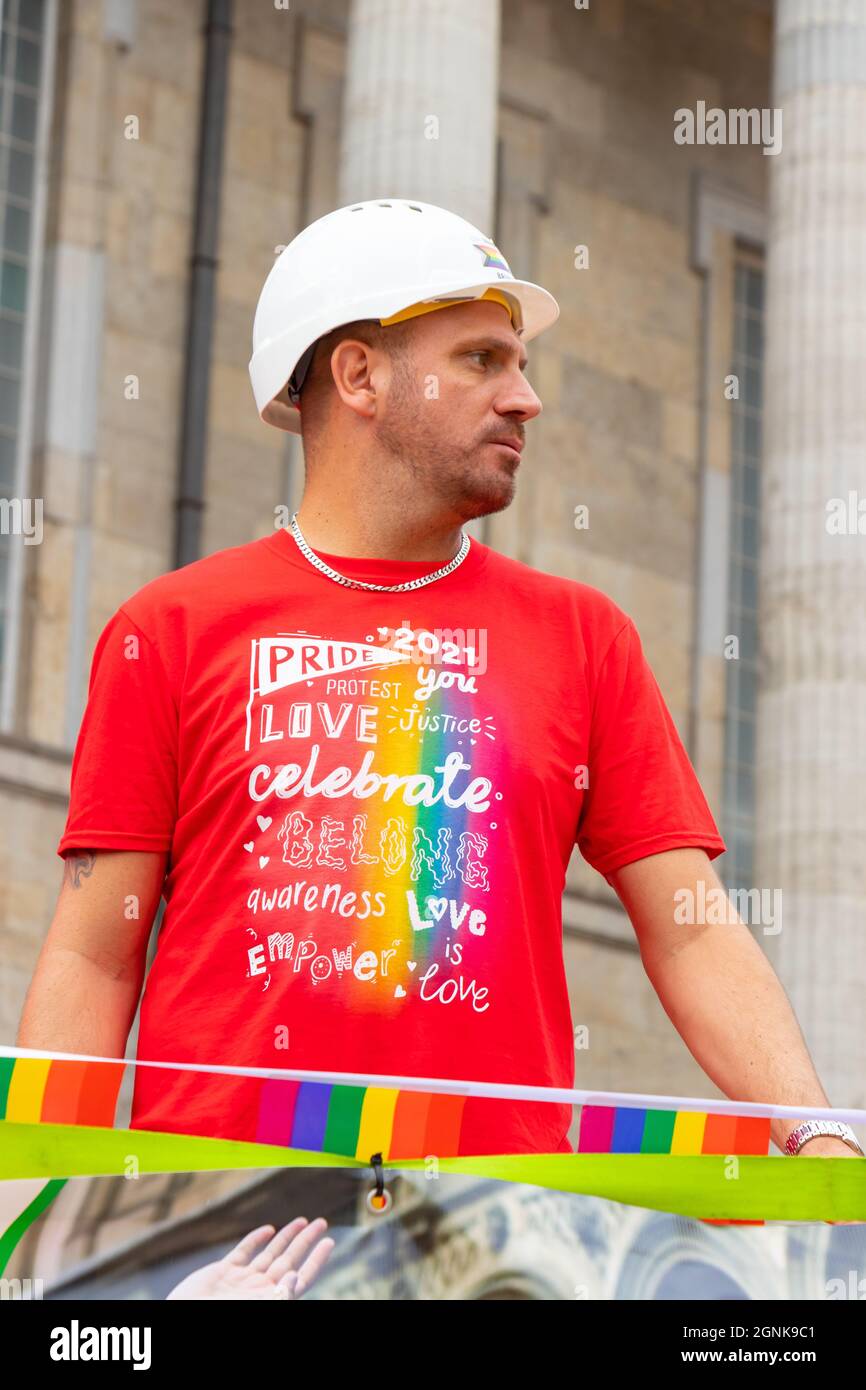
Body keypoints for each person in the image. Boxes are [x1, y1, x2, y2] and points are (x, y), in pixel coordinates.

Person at [17, 199, 862, 1164]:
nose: (524, 399)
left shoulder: (585, 638)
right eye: (481, 360)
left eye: (520, 366)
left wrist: (816, 1132)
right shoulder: (168, 631)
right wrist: (30, 1213)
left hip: (491, 1232)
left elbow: (694, 930)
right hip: (232, 1237)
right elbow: (93, 953)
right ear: (360, 375)